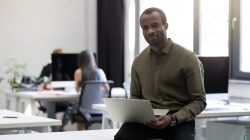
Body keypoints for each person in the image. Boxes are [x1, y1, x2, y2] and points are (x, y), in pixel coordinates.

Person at [114, 7, 207, 140]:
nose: (150, 31)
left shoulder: (188, 59)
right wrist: (140, 114)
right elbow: (135, 96)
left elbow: (199, 101)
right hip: (146, 120)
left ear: (166, 25)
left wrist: (173, 118)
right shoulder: (138, 62)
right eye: (145, 28)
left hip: (178, 120)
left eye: (155, 25)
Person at [74, 49, 109, 130]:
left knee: (77, 109)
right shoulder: (100, 72)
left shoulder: (78, 72)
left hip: (84, 110)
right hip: (99, 109)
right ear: (92, 60)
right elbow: (107, 89)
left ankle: (79, 134)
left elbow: (76, 89)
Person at [38, 48, 70, 132]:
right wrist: (45, 83)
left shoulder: (65, 71)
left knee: (74, 105)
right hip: (50, 97)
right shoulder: (47, 68)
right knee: (50, 104)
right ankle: (55, 132)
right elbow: (39, 81)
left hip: (62, 98)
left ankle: (61, 127)